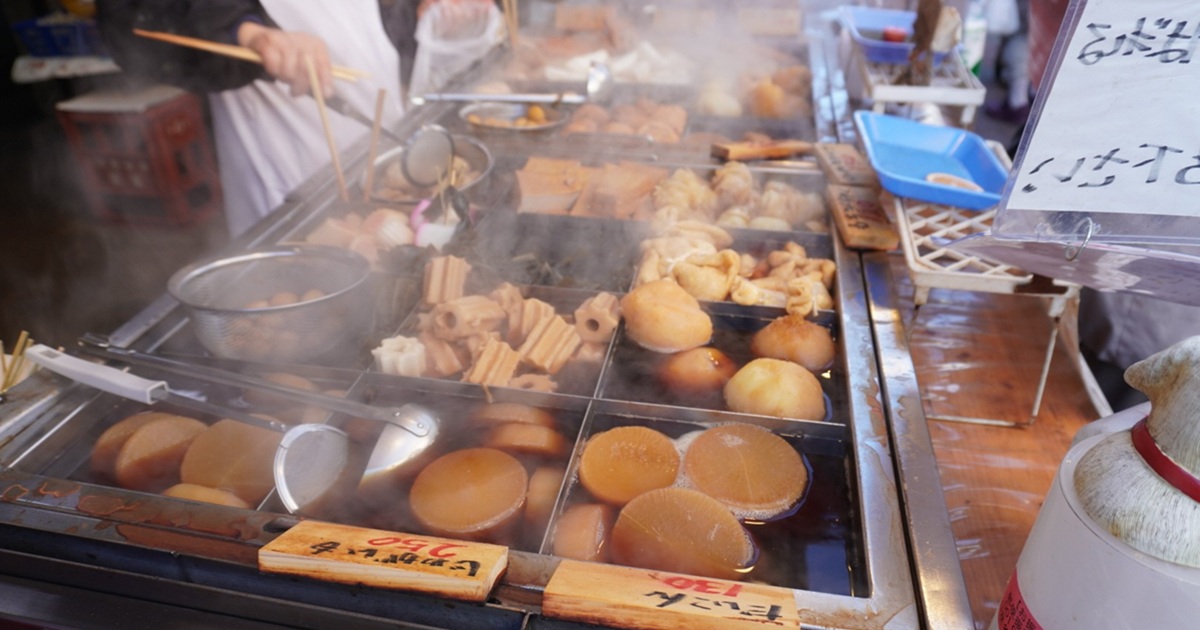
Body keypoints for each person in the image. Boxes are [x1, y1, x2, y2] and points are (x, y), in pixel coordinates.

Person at [97, 0, 491, 237]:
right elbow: (132, 18)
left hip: (386, 156)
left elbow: (391, 22)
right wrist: (249, 33)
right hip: (289, 171)